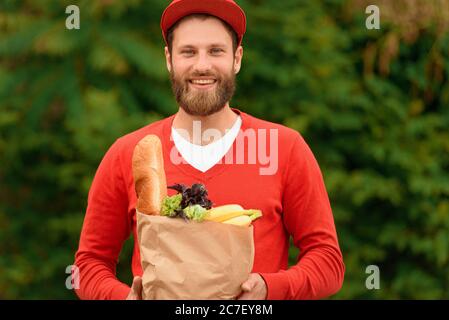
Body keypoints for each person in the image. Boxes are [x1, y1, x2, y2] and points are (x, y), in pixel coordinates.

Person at [74, 0, 345, 300]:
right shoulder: (129, 154)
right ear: (169, 59)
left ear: (237, 58)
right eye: (188, 52)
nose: (202, 65)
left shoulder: (285, 149)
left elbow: (328, 261)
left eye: (216, 51)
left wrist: (270, 289)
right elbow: (88, 265)